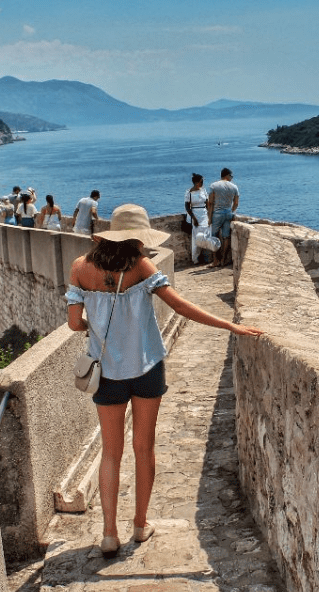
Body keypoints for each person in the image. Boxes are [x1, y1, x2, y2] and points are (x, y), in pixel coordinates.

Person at [66, 204, 263, 558]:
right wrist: (231, 326)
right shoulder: (141, 267)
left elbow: (73, 323)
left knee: (111, 454)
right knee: (144, 447)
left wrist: (93, 326)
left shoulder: (81, 268)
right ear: (138, 239)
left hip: (106, 372)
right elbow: (181, 306)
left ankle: (109, 534)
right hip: (146, 368)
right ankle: (140, 525)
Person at [206, 168, 239, 267]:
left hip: (217, 214)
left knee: (214, 237)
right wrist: (231, 211)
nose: (232, 178)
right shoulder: (234, 187)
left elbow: (210, 203)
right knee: (226, 237)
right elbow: (236, 203)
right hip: (228, 213)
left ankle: (216, 260)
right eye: (231, 176)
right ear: (226, 176)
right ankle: (224, 260)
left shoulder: (214, 186)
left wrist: (209, 217)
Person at [184, 173, 210, 264]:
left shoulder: (204, 191)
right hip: (195, 215)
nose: (203, 183)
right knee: (196, 237)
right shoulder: (189, 193)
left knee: (206, 235)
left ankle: (206, 257)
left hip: (204, 215)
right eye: (201, 182)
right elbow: (187, 207)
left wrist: (209, 216)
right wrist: (193, 218)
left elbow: (207, 204)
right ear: (196, 183)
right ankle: (195, 258)